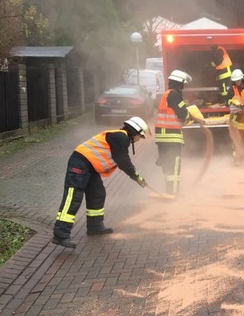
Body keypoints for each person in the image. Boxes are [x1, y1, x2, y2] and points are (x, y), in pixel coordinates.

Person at [52, 116, 150, 249]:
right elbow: (124, 163)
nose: (139, 140)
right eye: (140, 136)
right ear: (135, 132)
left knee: (98, 193)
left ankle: (95, 226)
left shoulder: (120, 137)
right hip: (80, 163)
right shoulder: (121, 137)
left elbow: (122, 161)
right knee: (73, 196)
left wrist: (138, 178)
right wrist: (138, 178)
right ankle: (60, 234)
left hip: (90, 166)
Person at [155, 69, 193, 194]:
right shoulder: (175, 94)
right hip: (172, 137)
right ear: (180, 83)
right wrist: (189, 117)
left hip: (162, 137)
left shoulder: (166, 94)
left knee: (167, 164)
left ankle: (168, 189)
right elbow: (182, 113)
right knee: (175, 165)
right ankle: (173, 193)